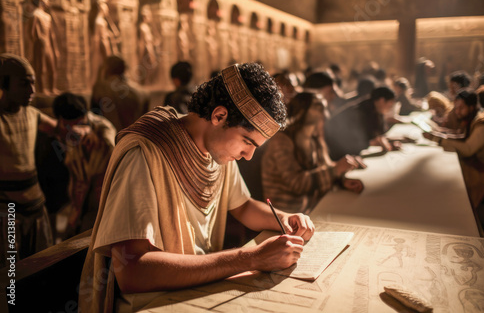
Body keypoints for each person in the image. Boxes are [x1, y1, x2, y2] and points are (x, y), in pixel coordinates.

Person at [79, 63, 315, 312]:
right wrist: (251, 258)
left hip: (198, 290)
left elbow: (243, 206)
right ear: (219, 116)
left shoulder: (217, 148)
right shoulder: (145, 154)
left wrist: (286, 218)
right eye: (247, 141)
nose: (248, 156)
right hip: (153, 303)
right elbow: (132, 272)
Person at [261, 92, 364, 214]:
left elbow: (323, 168)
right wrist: (336, 170)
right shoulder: (281, 140)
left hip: (314, 205)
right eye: (317, 107)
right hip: (289, 212)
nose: (323, 117)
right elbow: (297, 183)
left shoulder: (313, 138)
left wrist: (342, 181)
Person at [0, 54, 57, 266]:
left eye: (33, 83)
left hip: (36, 206)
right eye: (24, 84)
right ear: (4, 84)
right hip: (7, 211)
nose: (32, 91)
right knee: (10, 276)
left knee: (39, 269)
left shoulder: (32, 114)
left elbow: (60, 129)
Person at [424, 89, 484, 207]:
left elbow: (468, 149)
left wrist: (438, 139)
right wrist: (438, 134)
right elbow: (462, 136)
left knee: (446, 178)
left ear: (471, 107)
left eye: (461, 108)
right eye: (456, 108)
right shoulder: (474, 116)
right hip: (476, 162)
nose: (457, 111)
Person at [53, 93, 116, 235]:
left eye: (79, 123)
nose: (75, 129)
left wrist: (98, 139)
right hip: (78, 196)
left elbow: (112, 147)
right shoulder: (64, 132)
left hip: (101, 196)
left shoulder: (103, 128)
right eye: (69, 125)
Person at [91, 55, 149, 132]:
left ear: (107, 69)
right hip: (134, 138)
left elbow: (94, 118)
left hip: (111, 139)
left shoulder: (101, 88)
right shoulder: (142, 91)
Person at [30, 0, 59, 95]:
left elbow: (52, 34)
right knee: (41, 68)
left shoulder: (47, 16)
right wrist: (37, 41)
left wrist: (55, 49)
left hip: (48, 46)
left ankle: (52, 88)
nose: (48, 0)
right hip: (40, 45)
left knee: (52, 67)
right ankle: (42, 89)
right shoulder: (35, 15)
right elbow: (31, 32)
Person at [137, 5, 159, 85]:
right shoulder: (142, 26)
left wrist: (154, 42)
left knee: (153, 65)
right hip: (146, 48)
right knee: (149, 65)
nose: (150, 18)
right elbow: (142, 41)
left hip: (150, 46)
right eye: (149, 16)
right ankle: (146, 81)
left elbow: (150, 38)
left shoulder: (147, 27)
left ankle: (148, 81)